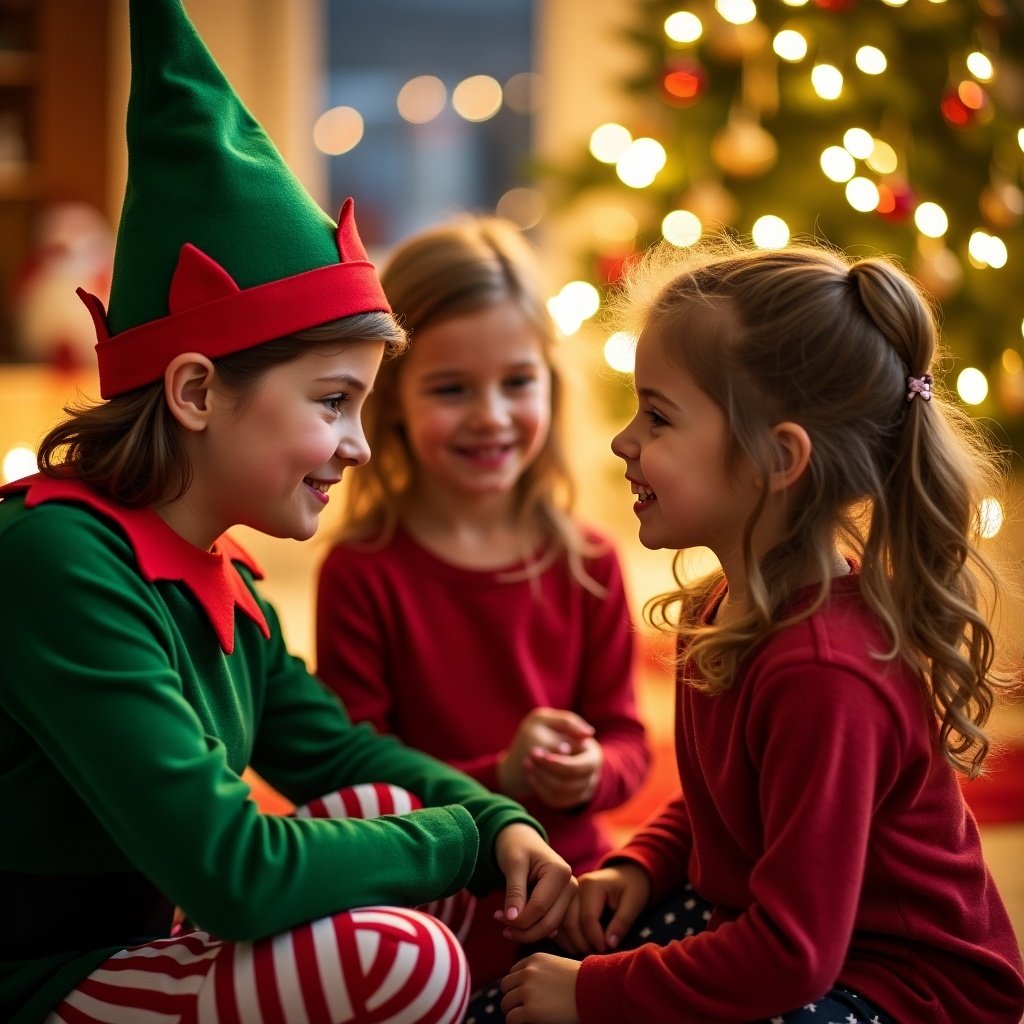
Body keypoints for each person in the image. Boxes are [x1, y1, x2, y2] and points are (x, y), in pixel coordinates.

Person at [0, 4, 574, 1023]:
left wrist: (493, 818)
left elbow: (340, 754)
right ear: (193, 392)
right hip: (31, 979)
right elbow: (232, 870)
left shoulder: (217, 577)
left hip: (139, 946)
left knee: (395, 812)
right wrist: (468, 837)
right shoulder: (57, 558)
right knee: (404, 957)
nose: (357, 443)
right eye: (331, 400)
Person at [495, 237, 1024, 1024]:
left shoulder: (823, 672)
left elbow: (791, 956)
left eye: (659, 416)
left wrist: (594, 996)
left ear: (775, 460)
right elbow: (728, 803)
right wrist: (639, 868)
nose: (624, 441)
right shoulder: (730, 608)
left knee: (590, 991)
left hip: (910, 991)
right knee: (549, 965)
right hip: (803, 945)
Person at [315, 216, 650, 984]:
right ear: (391, 399)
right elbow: (356, 788)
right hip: (439, 890)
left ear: (550, 385)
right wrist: (503, 775)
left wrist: (594, 769)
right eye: (452, 388)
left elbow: (630, 737)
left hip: (580, 882)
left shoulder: (590, 561)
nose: (491, 415)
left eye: (517, 382)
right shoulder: (362, 573)